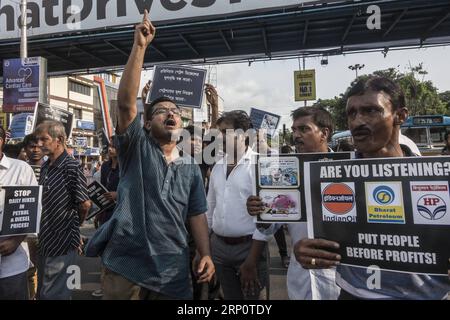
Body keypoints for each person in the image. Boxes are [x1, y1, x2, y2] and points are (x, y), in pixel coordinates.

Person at [85, 11, 214, 300]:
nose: (171, 113)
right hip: (126, 266)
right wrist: (140, 46)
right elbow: (127, 105)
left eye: (176, 112)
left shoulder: (191, 167)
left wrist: (205, 253)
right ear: (145, 123)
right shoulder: (137, 149)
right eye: (161, 111)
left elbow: (196, 214)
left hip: (173, 270)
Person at [294, 76, 450, 300]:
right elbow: (325, 244)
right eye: (352, 113)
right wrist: (305, 251)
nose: (357, 122)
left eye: (370, 111)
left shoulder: (439, 177)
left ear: (400, 115)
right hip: (350, 294)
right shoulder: (332, 179)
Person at [246, 107, 340, 300]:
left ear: (325, 133)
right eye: (294, 130)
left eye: (304, 129)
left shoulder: (350, 170)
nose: (296, 135)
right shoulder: (283, 173)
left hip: (340, 283)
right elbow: (269, 227)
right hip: (301, 282)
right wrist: (261, 213)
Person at [207, 110, 269, 300]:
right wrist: (207, 249)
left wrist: (252, 260)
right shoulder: (217, 166)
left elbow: (267, 218)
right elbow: (210, 209)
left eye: (226, 132)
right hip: (219, 249)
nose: (220, 137)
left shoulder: (261, 164)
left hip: (250, 249)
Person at [34, 120, 91, 300]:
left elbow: (85, 204)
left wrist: (75, 225)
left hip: (63, 241)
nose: (40, 144)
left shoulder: (71, 166)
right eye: (38, 140)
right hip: (44, 240)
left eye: (44, 139)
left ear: (59, 139)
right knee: (46, 291)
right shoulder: (45, 167)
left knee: (53, 294)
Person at [0, 127, 38, 300]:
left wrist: (15, 241)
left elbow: (33, 210)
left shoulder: (21, 169)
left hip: (12, 264)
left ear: (1, 140)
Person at [91, 141, 120, 298]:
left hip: (122, 214)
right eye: (109, 146)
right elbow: (100, 191)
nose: (110, 149)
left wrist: (118, 194)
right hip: (106, 213)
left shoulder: (128, 166)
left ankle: (114, 287)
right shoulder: (105, 167)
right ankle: (104, 286)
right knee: (104, 249)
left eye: (114, 146)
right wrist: (97, 212)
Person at [22, 133, 46, 300]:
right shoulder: (20, 170)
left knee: (46, 270)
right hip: (26, 230)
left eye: (39, 146)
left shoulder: (52, 168)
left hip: (47, 229)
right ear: (25, 149)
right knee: (28, 270)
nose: (36, 150)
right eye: (32, 146)